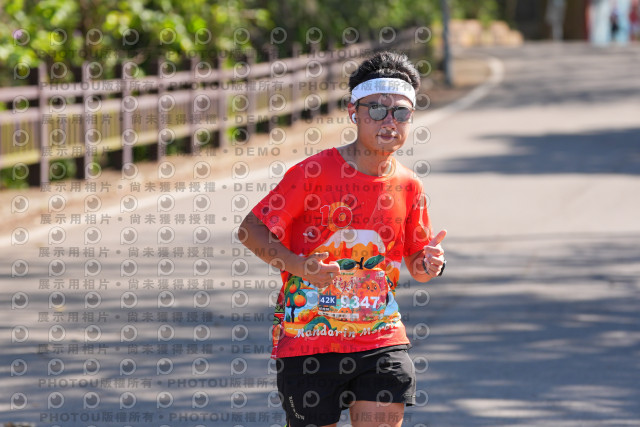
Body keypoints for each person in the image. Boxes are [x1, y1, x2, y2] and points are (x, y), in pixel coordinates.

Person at [239, 51, 447, 427]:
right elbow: (250, 229)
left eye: (400, 112)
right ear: (354, 112)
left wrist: (431, 263)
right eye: (376, 110)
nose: (389, 121)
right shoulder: (313, 173)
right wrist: (300, 266)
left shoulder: (409, 185)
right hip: (308, 339)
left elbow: (419, 267)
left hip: (380, 337)